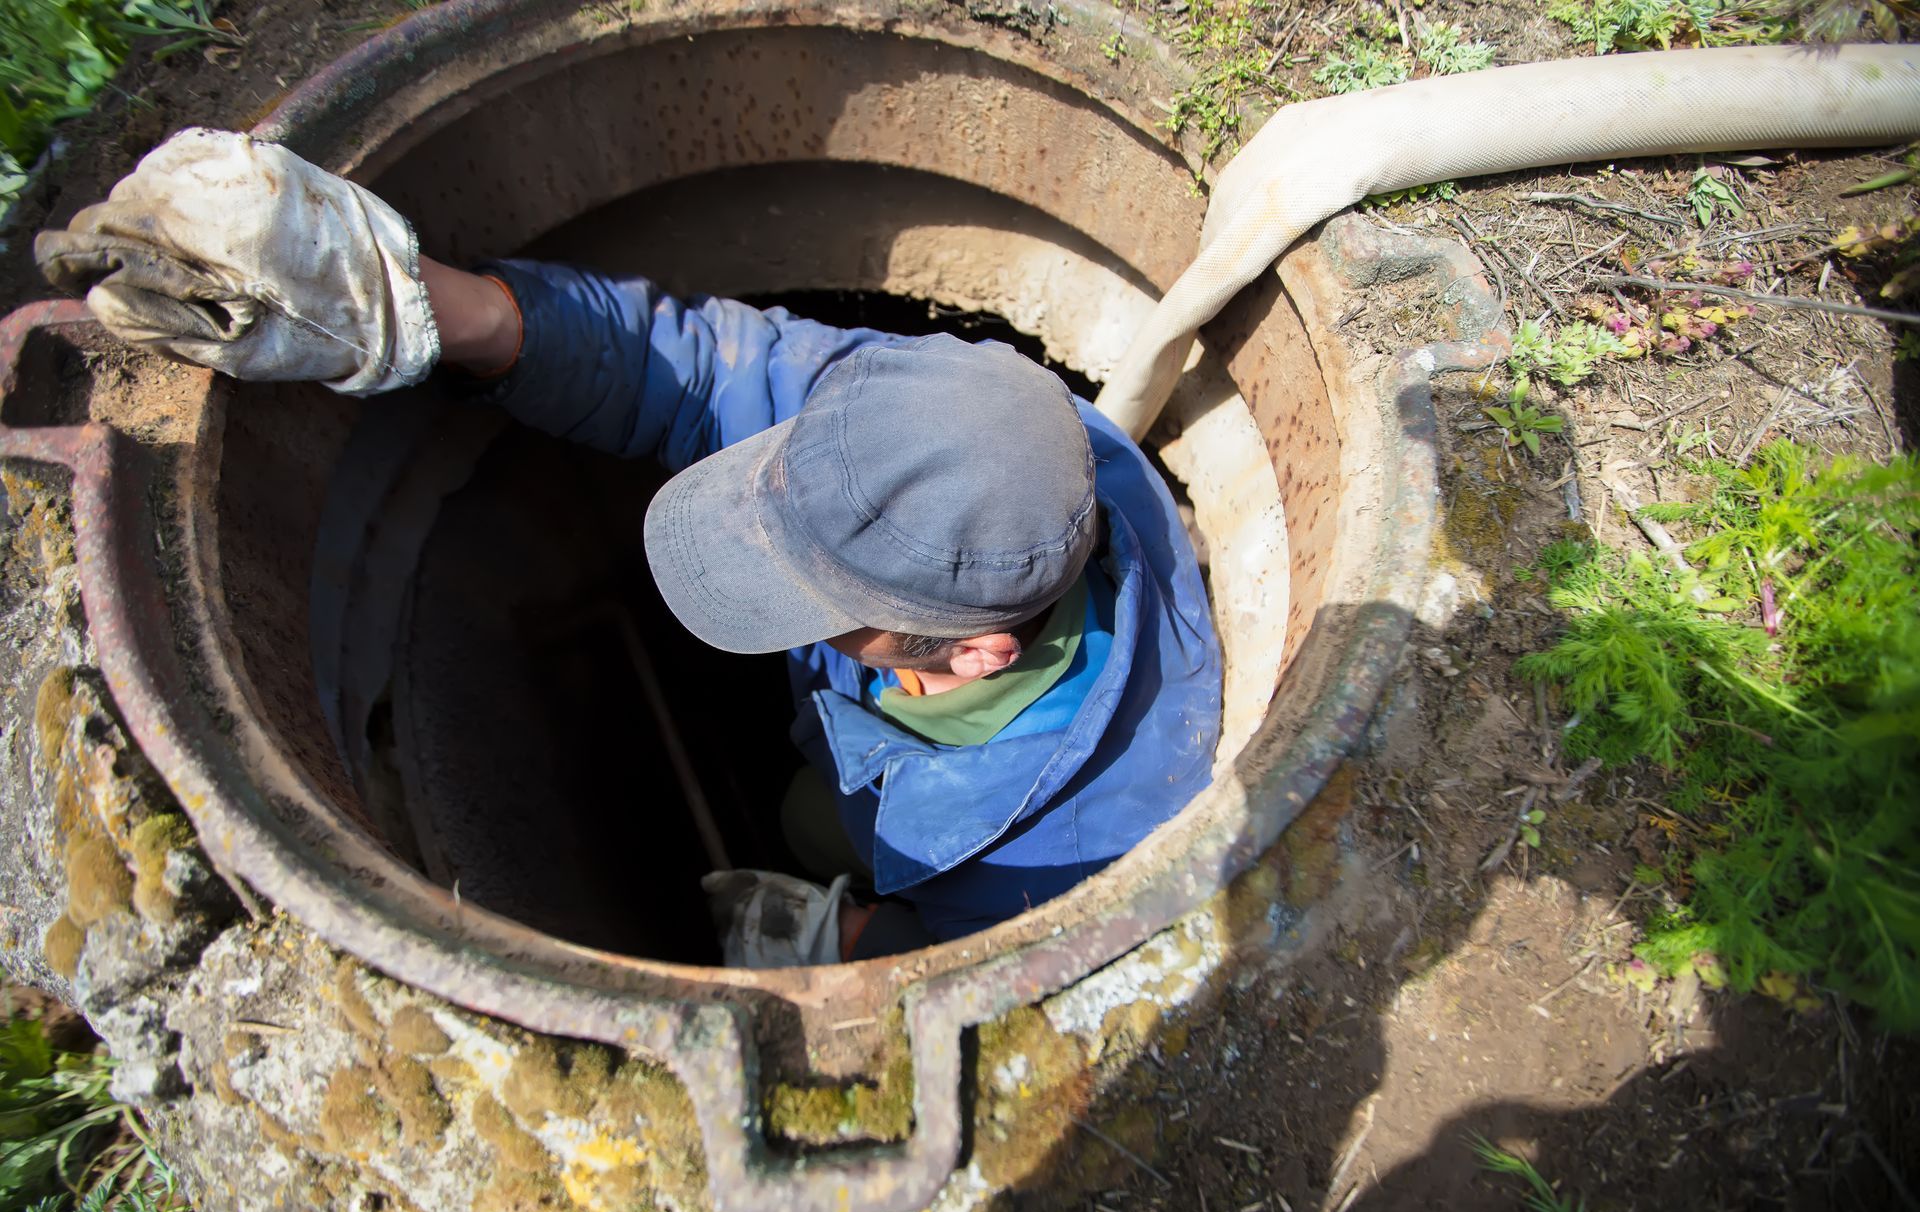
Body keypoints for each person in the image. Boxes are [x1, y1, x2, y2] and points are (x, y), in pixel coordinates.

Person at [35, 129, 1223, 964]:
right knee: (815, 816)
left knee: (817, 833)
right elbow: (704, 367)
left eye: (813, 602)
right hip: (869, 767)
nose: (777, 589)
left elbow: (981, 955)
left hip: (918, 819)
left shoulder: (1090, 836)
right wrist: (411, 307)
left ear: (969, 657)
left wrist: (850, 944)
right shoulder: (934, 417)